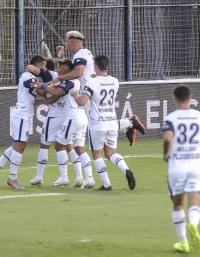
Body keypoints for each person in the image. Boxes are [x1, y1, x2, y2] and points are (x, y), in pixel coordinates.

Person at [74, 55, 144, 191]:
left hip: (97, 124)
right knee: (111, 153)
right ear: (107, 66)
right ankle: (126, 170)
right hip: (112, 122)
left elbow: (82, 102)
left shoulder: (91, 82)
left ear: (96, 66)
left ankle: (106, 185)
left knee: (97, 155)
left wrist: (75, 94)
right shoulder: (114, 81)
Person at [162, 84, 200, 253]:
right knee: (195, 203)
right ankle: (194, 223)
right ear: (189, 98)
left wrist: (166, 154)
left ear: (174, 99)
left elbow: (167, 139)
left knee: (178, 204)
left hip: (178, 166)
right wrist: (199, 148)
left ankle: (183, 242)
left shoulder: (171, 118)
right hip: (196, 166)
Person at [0, 56, 49, 189]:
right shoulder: (28, 76)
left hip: (24, 114)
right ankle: (12, 177)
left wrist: (46, 88)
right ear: (36, 66)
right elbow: (35, 87)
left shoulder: (33, 77)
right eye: (42, 67)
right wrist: (48, 86)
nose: (44, 70)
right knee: (20, 145)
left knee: (17, 144)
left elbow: (41, 91)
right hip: (22, 115)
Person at [33, 59, 96, 188]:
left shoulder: (70, 82)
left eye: (61, 67)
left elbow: (56, 92)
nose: (59, 69)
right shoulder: (73, 81)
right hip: (81, 117)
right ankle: (88, 178)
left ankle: (64, 177)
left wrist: (43, 85)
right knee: (79, 148)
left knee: (59, 146)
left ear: (67, 69)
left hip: (73, 117)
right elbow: (56, 90)